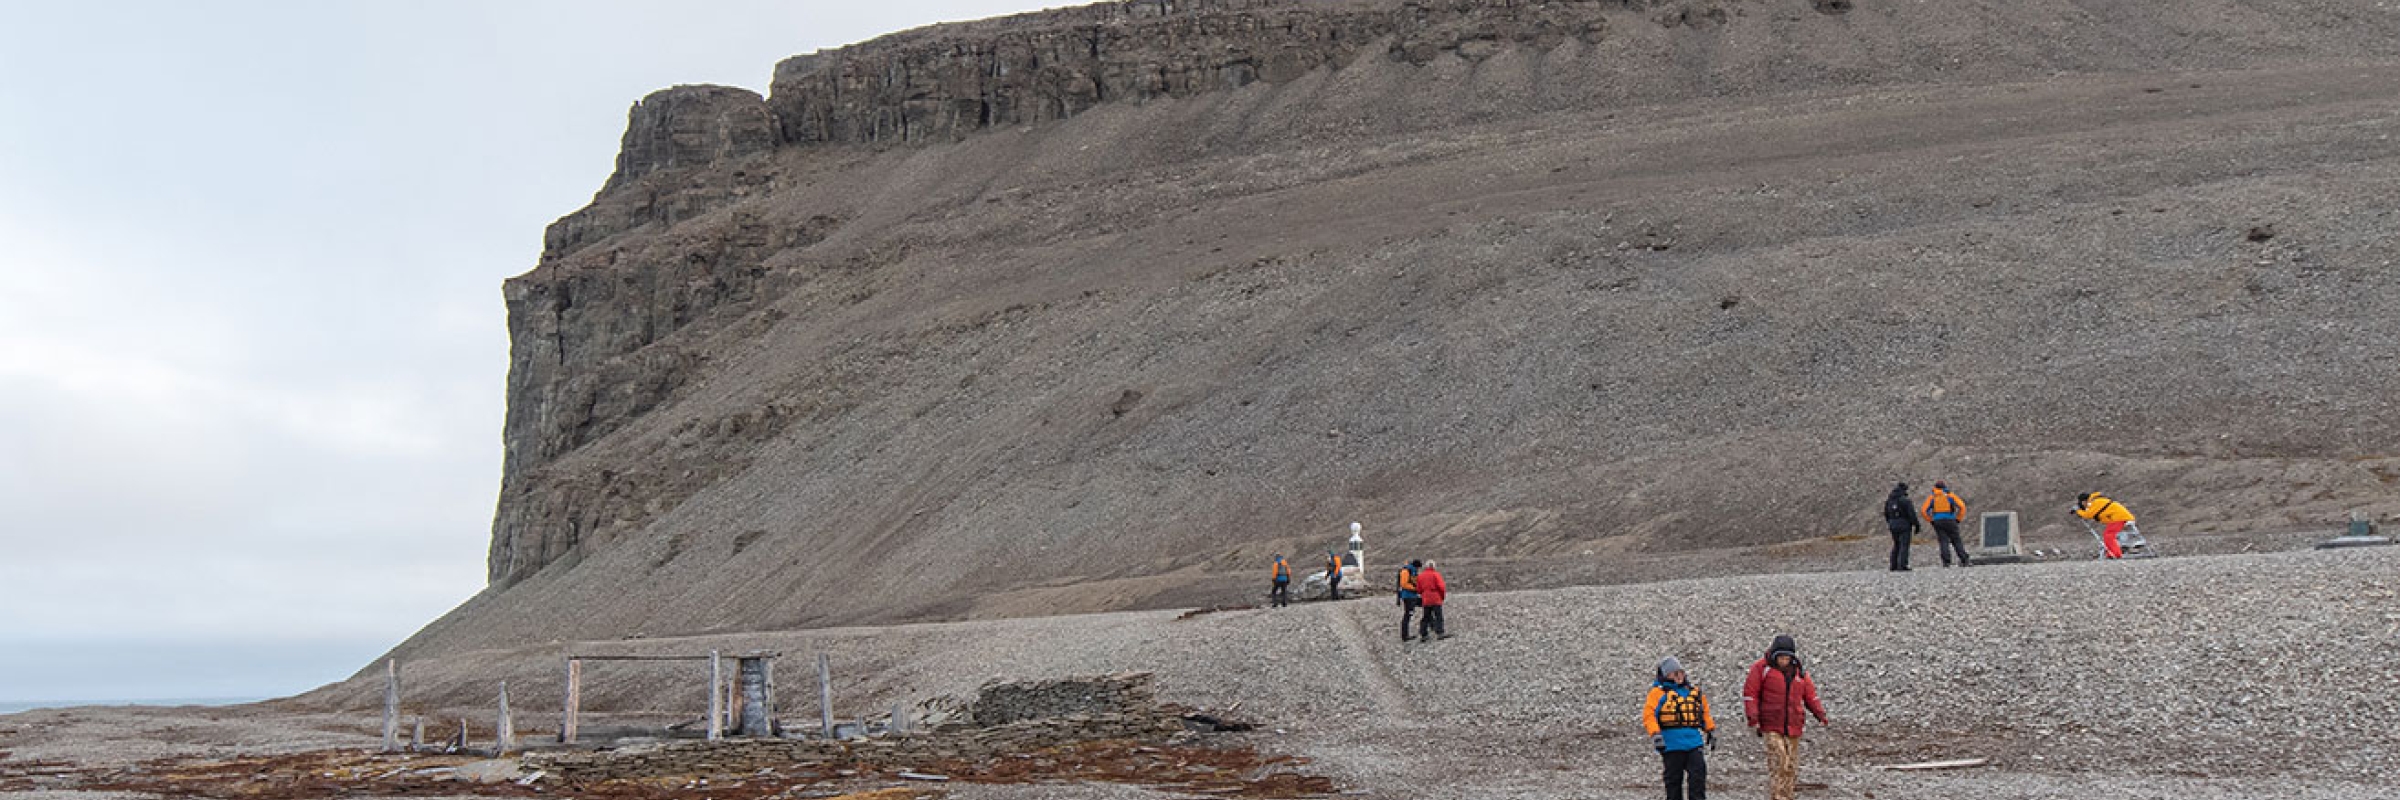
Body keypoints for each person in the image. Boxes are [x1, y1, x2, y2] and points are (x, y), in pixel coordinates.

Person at [1742, 635, 1828, 800]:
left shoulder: (1799, 673)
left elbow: (1810, 696)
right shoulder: (1761, 668)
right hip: (1771, 724)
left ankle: (1787, 795)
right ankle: (1777, 796)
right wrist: (1753, 716)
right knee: (1779, 760)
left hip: (1793, 724)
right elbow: (1750, 693)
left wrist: (1820, 713)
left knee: (1791, 765)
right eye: (1781, 657)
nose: (1784, 661)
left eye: (1787, 657)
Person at [1642, 656, 1716, 800]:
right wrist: (1656, 734)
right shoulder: (1658, 694)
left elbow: (1704, 712)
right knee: (1673, 782)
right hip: (1671, 745)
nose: (1679, 676)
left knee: (1698, 777)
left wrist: (1710, 730)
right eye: (1674, 673)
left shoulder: (1694, 693)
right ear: (1665, 675)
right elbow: (1649, 715)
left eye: (1680, 673)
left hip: (1694, 743)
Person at [2075, 492, 2146, 559]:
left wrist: (2078, 511)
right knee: (2108, 535)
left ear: (2084, 501)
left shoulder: (2095, 502)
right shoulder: (2097, 501)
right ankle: (2112, 553)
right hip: (2120, 517)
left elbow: (2089, 514)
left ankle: (2116, 554)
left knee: (2109, 535)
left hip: (2120, 518)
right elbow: (2099, 515)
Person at [1919, 481, 1971, 567]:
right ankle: (1964, 559)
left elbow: (1924, 510)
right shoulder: (1950, 496)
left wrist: (1931, 520)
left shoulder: (1932, 497)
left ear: (1935, 488)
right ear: (1944, 487)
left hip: (1938, 521)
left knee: (1943, 541)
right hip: (1950, 520)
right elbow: (1962, 506)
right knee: (1956, 540)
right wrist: (1958, 519)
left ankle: (1946, 562)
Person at [1882, 482, 1919, 572]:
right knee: (1904, 544)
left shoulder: (1889, 501)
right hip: (1904, 524)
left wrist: (1890, 523)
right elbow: (1911, 514)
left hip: (1893, 524)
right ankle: (1902, 565)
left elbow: (1886, 514)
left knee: (1896, 544)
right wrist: (1916, 525)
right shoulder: (1905, 500)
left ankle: (1893, 565)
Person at [1415, 560, 1448, 641]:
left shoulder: (1420, 576)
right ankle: (1440, 633)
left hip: (1426, 598)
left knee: (1426, 617)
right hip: (1435, 597)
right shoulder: (1436, 575)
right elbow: (1441, 587)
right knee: (1438, 616)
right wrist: (1442, 597)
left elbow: (1418, 589)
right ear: (1433, 566)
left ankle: (1424, 634)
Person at [1395, 560, 1422, 641]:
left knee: (1426, 605)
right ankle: (1405, 636)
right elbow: (1403, 584)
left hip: (1412, 596)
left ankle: (1431, 625)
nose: (1418, 570)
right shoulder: (1406, 571)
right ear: (1416, 566)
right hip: (1408, 596)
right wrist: (1414, 588)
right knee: (1408, 615)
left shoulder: (1411, 570)